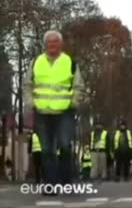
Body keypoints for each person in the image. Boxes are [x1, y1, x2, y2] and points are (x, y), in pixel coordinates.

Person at [23, 30, 84, 195]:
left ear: (61, 44)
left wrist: (74, 103)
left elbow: (78, 85)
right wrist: (30, 103)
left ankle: (65, 181)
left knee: (65, 146)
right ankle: (50, 185)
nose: (52, 45)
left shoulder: (70, 62)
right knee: (47, 149)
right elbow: (27, 84)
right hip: (42, 112)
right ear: (45, 44)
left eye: (55, 42)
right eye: (49, 42)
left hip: (64, 111)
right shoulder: (36, 62)